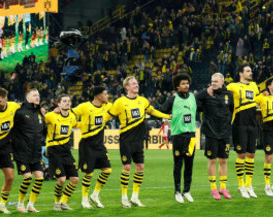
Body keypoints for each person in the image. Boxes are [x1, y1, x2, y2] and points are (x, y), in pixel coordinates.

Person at [109, 76, 170, 208]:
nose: (136, 85)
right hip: (126, 139)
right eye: (133, 83)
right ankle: (124, 197)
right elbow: (108, 115)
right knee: (127, 167)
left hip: (138, 140)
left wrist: (167, 116)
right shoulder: (120, 102)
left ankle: (135, 197)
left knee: (140, 167)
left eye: (137, 83)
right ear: (127, 87)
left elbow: (153, 111)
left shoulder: (142, 101)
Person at [71, 86, 113, 209]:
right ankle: (84, 200)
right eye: (105, 94)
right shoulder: (85, 107)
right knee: (89, 173)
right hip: (87, 144)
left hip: (99, 144)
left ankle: (94, 195)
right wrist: (77, 124)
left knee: (107, 170)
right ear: (99, 96)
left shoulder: (108, 106)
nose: (107, 96)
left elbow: (119, 107)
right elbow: (71, 112)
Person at [161, 72, 197, 204]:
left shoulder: (193, 97)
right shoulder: (172, 99)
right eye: (183, 83)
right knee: (178, 164)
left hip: (191, 135)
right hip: (178, 135)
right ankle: (177, 191)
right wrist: (168, 118)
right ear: (177, 86)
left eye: (187, 83)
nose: (186, 85)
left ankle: (186, 191)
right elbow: (162, 110)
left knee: (189, 164)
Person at [226, 64, 260, 199]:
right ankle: (241, 186)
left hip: (253, 124)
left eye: (251, 71)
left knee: (251, 155)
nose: (251, 73)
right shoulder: (233, 86)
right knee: (241, 154)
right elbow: (221, 91)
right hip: (239, 124)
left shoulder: (254, 86)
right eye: (248, 71)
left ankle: (249, 185)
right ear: (241, 73)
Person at [198, 73, 234, 200]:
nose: (213, 83)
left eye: (216, 81)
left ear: (222, 82)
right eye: (212, 81)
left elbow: (232, 110)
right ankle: (213, 188)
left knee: (223, 160)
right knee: (212, 160)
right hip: (211, 133)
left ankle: (223, 188)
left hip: (224, 132)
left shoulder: (229, 95)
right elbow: (197, 105)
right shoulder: (205, 94)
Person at [12, 88, 47, 213]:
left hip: (35, 153)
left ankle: (31, 205)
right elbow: (12, 129)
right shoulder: (19, 112)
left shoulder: (39, 113)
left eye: (38, 95)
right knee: (27, 178)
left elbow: (44, 131)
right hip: (22, 153)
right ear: (27, 97)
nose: (37, 97)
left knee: (39, 178)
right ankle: (20, 204)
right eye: (34, 95)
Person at [45, 94, 79, 211]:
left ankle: (63, 202)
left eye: (68, 101)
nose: (67, 103)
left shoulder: (72, 117)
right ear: (58, 104)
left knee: (75, 179)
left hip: (66, 150)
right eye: (64, 101)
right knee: (61, 179)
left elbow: (75, 124)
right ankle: (57, 203)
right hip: (54, 150)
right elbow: (39, 120)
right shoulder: (51, 116)